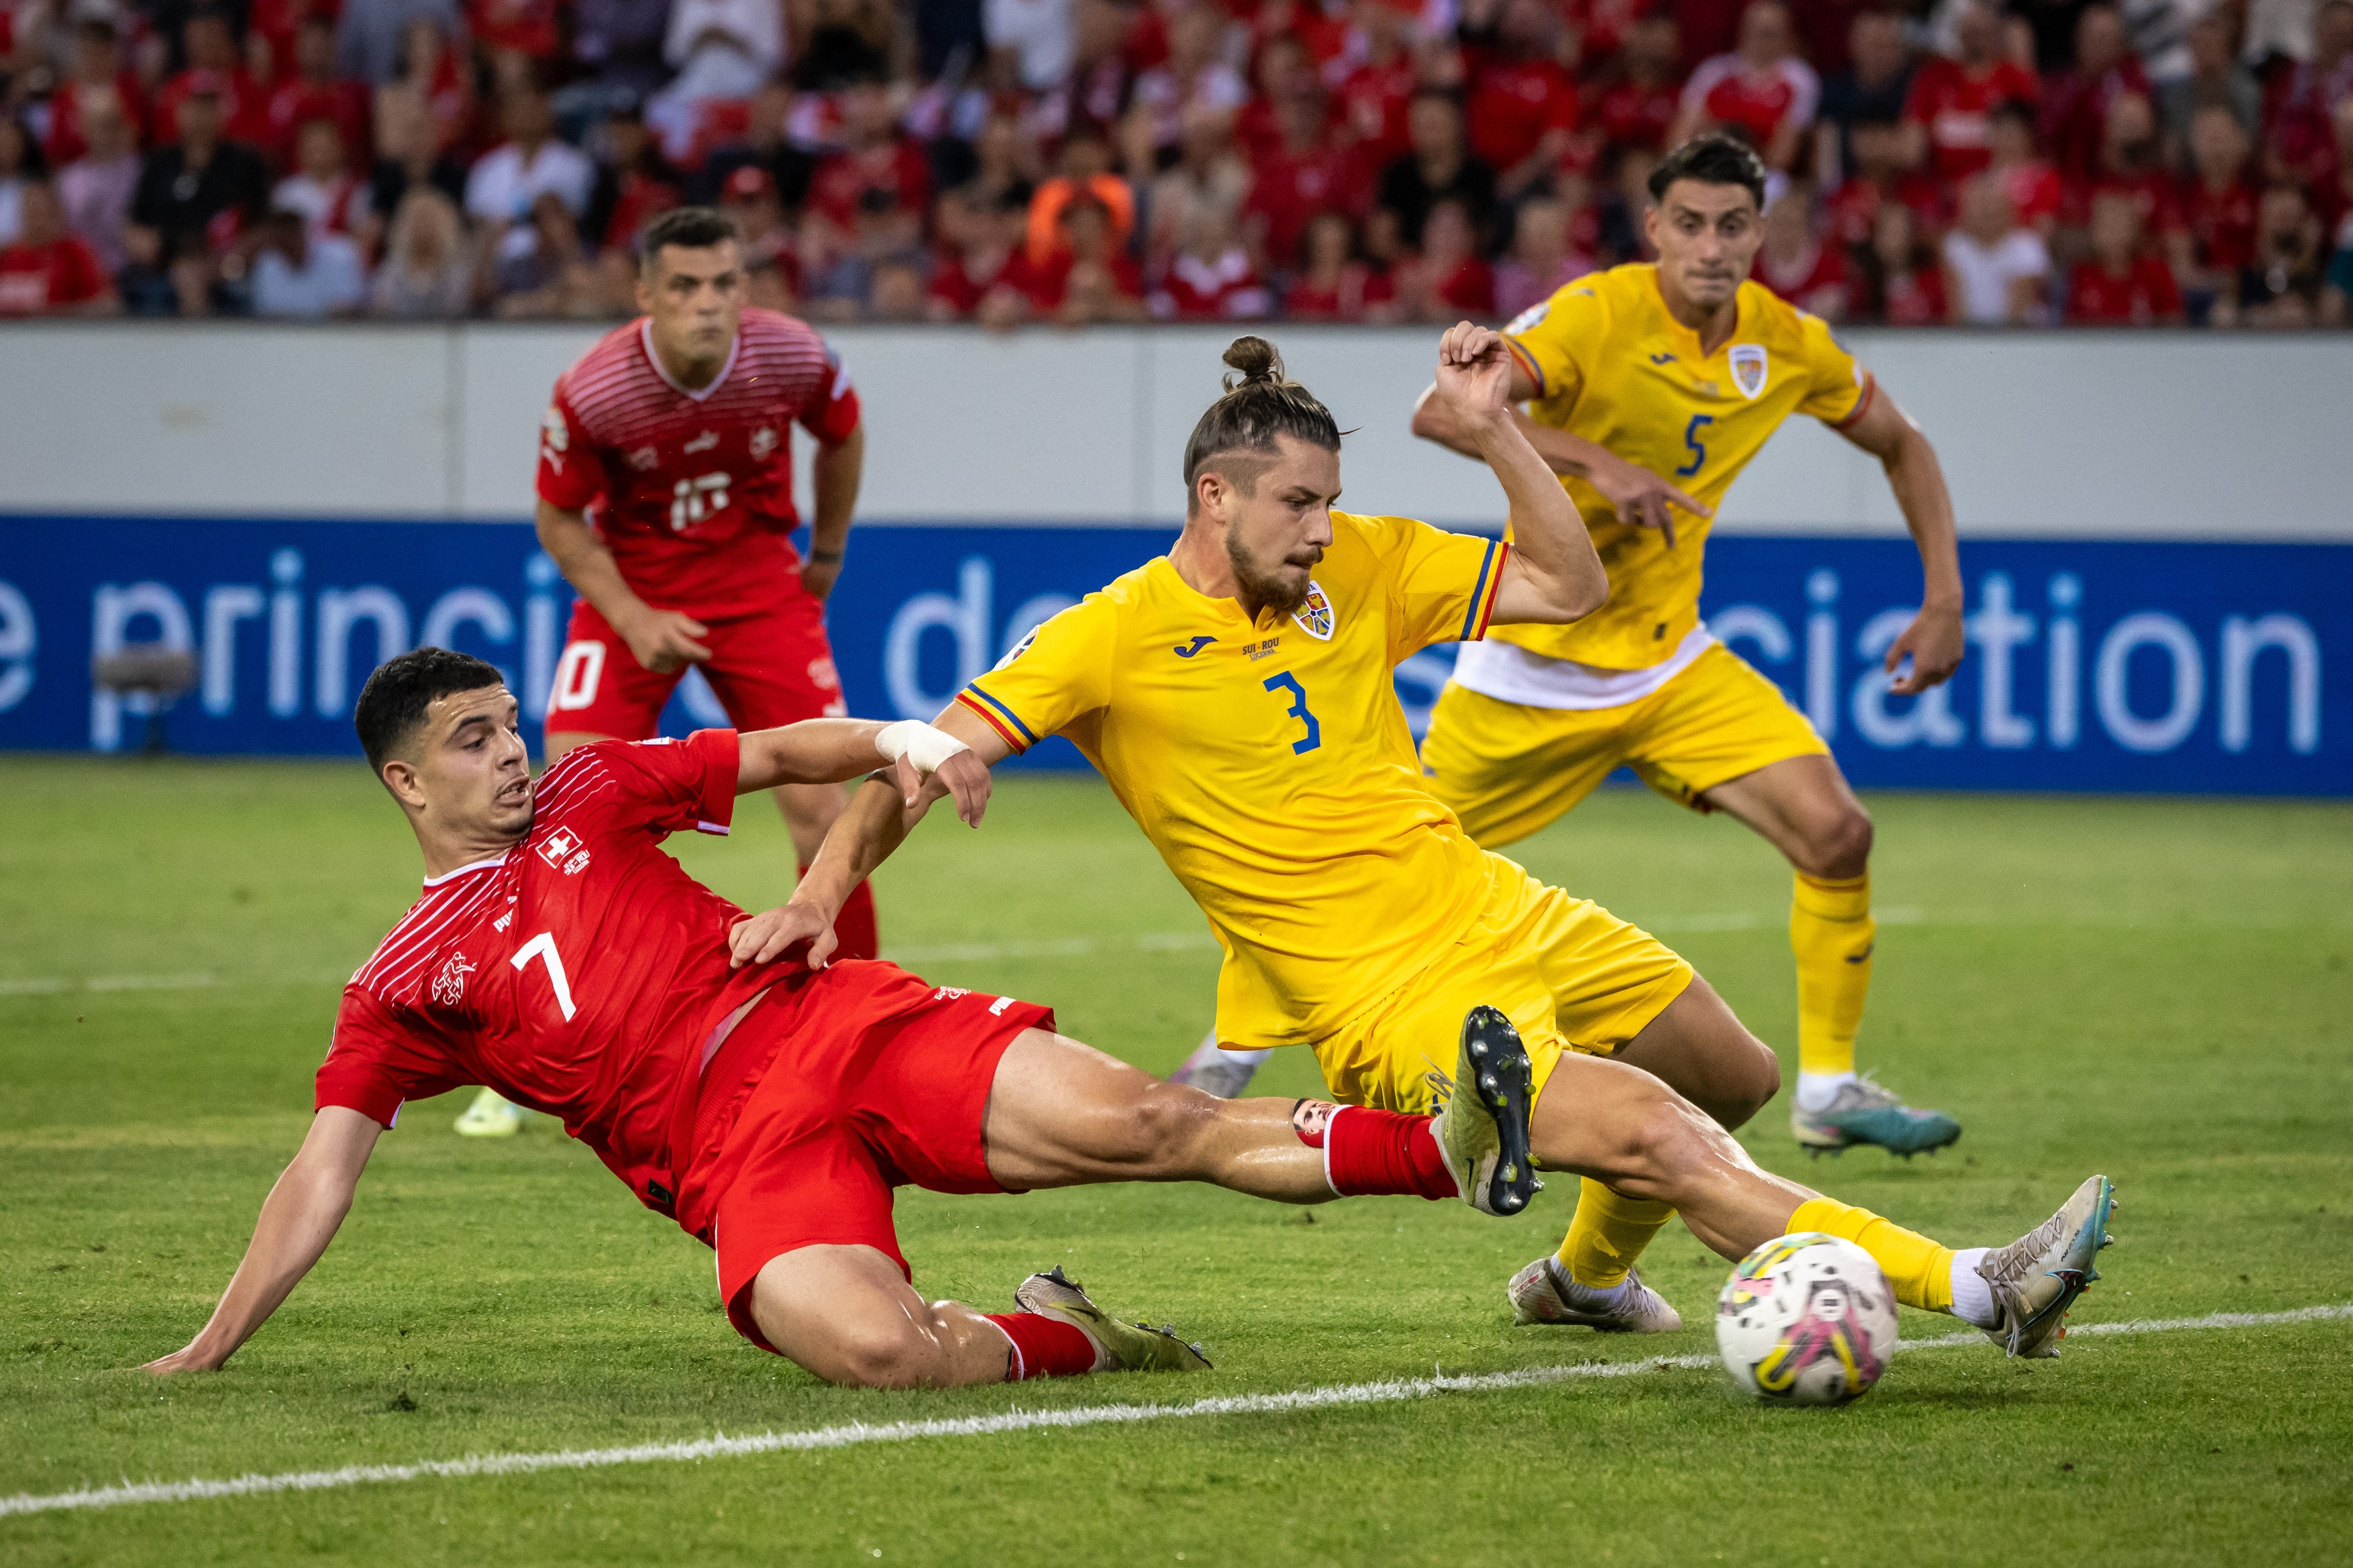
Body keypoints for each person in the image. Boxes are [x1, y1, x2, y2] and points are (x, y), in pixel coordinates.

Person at [777, 328, 2114, 1356]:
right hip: (1390, 990)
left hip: (1496, 905)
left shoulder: (1357, 560)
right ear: (1212, 496)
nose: (1319, 525)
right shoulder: (1105, 633)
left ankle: (1583, 1280)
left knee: (1732, 1071)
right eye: (1295, 502)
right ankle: (1982, 1285)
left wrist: (1491, 433)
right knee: (1665, 1137)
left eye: (1329, 499)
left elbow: (1566, 585)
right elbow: (912, 762)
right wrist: (822, 893)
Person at [138, 650, 1530, 1389]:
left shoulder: (593, 789)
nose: (511, 752)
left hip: (822, 1022)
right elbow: (324, 1164)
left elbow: (777, 750)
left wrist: (901, 743)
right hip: (735, 1164)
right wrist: (216, 1335)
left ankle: (1444, 1144)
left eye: (509, 723)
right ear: (404, 779)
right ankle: (1086, 1337)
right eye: (472, 737)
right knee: (884, 1354)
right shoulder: (399, 979)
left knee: (1150, 1118)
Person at [1408, 134, 1970, 1191]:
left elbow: (1906, 443)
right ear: (1654, 228)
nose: (1712, 247)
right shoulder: (1594, 314)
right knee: (1386, 857)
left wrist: (1943, 598)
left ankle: (1830, 1091)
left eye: (1734, 227)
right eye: (1691, 225)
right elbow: (1441, 410)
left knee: (1838, 831)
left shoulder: (1787, 342)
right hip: (1526, 669)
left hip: (1669, 666)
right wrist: (1594, 461)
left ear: (1763, 235)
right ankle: (1237, 1047)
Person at [458, 206, 872, 1139]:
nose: (707, 305)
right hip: (633, 585)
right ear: (644, 294)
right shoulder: (595, 389)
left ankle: (852, 1022)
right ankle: (526, 1055)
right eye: (684, 287)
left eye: (725, 283)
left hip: (758, 580)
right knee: (555, 808)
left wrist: (829, 553)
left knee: (825, 805)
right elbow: (558, 519)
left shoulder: (794, 355)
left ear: (745, 287)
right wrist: (633, 615)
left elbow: (842, 432)